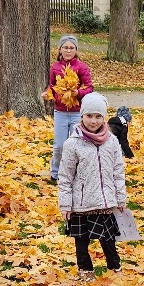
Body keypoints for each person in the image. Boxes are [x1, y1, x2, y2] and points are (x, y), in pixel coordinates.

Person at [57, 93, 127, 281]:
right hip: (81, 203)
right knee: (82, 241)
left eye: (98, 116)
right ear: (82, 116)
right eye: (89, 116)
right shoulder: (72, 144)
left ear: (104, 117)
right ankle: (85, 270)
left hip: (105, 201)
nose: (93, 121)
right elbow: (65, 176)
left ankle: (115, 267)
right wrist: (65, 204)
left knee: (108, 239)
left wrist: (121, 197)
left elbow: (118, 171)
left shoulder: (112, 141)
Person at [47, 35, 94, 185]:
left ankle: (75, 173)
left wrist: (78, 93)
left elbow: (89, 87)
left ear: (76, 50)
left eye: (71, 47)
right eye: (65, 47)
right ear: (60, 49)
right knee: (59, 145)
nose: (68, 50)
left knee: (77, 145)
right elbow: (52, 86)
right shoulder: (55, 67)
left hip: (76, 112)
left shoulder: (82, 67)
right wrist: (48, 93)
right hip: (60, 112)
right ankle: (55, 173)